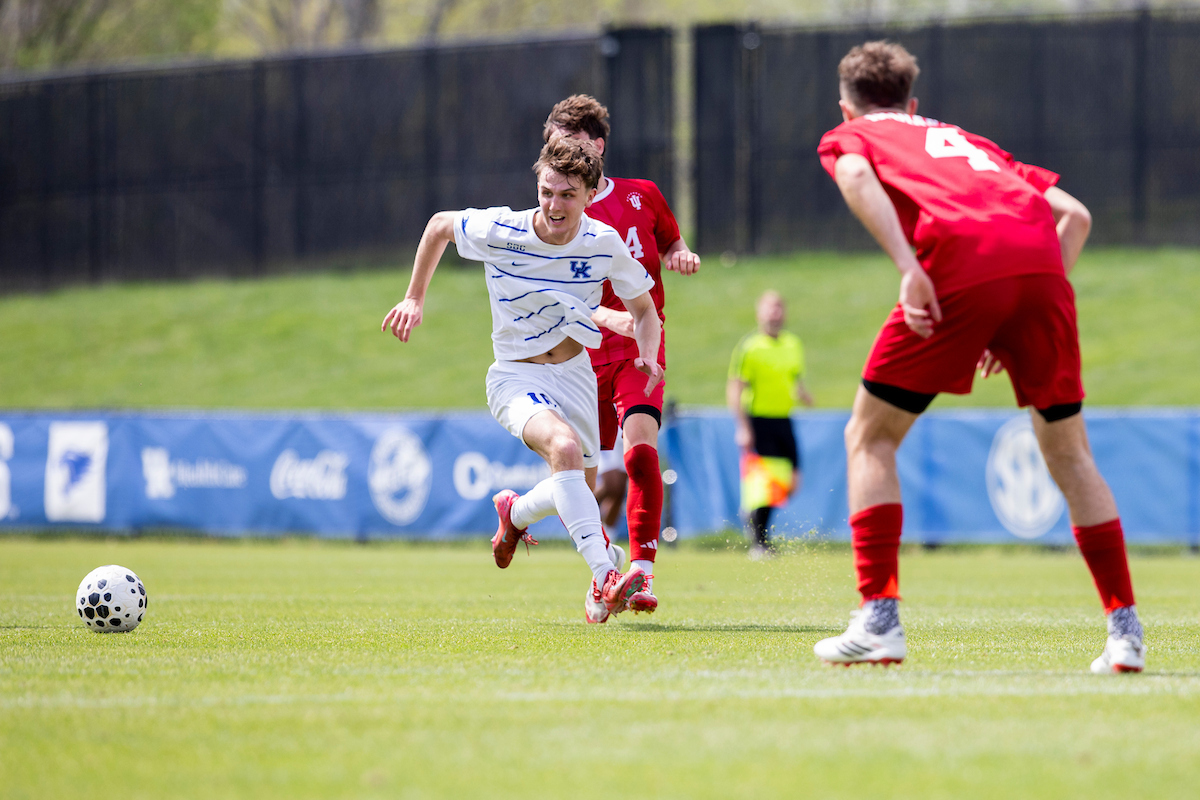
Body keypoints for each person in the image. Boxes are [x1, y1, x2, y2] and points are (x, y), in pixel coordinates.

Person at [812, 41, 1144, 672]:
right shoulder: (965, 140)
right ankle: (1125, 634)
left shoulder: (851, 136)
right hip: (1042, 270)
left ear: (847, 109)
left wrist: (909, 269)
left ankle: (879, 619)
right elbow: (1074, 216)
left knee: (869, 438)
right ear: (914, 103)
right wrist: (1018, 304)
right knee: (1072, 455)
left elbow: (855, 176)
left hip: (959, 262)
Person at [382, 137, 663, 624]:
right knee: (566, 452)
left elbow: (645, 309)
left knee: (575, 489)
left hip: (575, 376)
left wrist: (646, 353)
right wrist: (413, 298)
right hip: (515, 375)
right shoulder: (502, 229)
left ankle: (513, 515)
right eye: (547, 191)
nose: (554, 205)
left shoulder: (602, 243)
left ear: (591, 196)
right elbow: (438, 227)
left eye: (567, 195)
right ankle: (603, 574)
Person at [543, 94, 701, 614]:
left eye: (575, 144)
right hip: (581, 355)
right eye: (557, 146)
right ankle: (601, 569)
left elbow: (671, 243)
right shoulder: (560, 213)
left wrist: (680, 255)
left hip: (639, 345)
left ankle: (642, 572)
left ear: (599, 145)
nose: (566, 155)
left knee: (639, 452)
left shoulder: (643, 196)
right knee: (577, 481)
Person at [726, 290, 815, 558]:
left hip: (784, 420)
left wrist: (803, 393)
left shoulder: (793, 344)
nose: (775, 313)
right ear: (759, 313)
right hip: (759, 420)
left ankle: (755, 525)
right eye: (770, 307)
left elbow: (795, 377)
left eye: (779, 307)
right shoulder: (750, 347)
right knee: (764, 484)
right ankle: (759, 542)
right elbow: (735, 388)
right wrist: (742, 426)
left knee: (788, 482)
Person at [594, 425, 628, 543]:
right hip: (607, 428)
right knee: (612, 485)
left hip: (626, 430)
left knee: (620, 491)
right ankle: (578, 515)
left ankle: (607, 535)